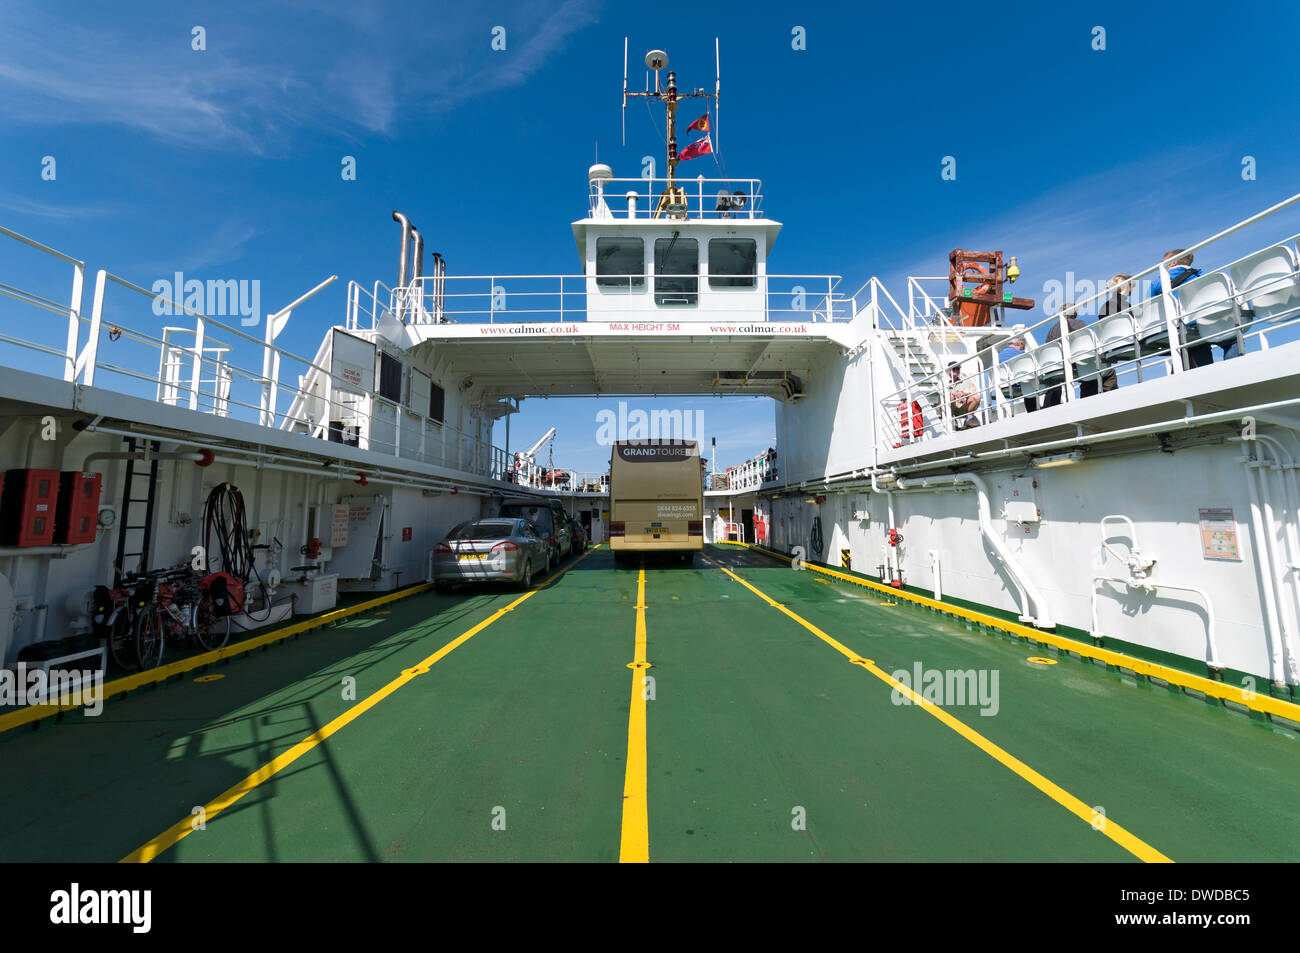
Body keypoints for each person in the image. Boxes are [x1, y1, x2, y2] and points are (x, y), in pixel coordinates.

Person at [1040, 302, 1086, 408]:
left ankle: (1049, 406)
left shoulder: (1051, 330)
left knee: (1054, 380)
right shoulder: (1079, 324)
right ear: (1074, 313)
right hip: (1075, 363)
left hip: (1056, 367)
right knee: (1093, 375)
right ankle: (1087, 401)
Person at [946, 361, 981, 429]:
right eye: (953, 369)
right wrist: (955, 394)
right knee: (950, 396)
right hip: (948, 409)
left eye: (957, 369)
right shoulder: (943, 381)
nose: (955, 370)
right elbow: (941, 393)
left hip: (962, 406)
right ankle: (952, 419)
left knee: (976, 397)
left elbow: (972, 392)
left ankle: (969, 419)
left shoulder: (965, 380)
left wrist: (964, 394)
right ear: (949, 371)